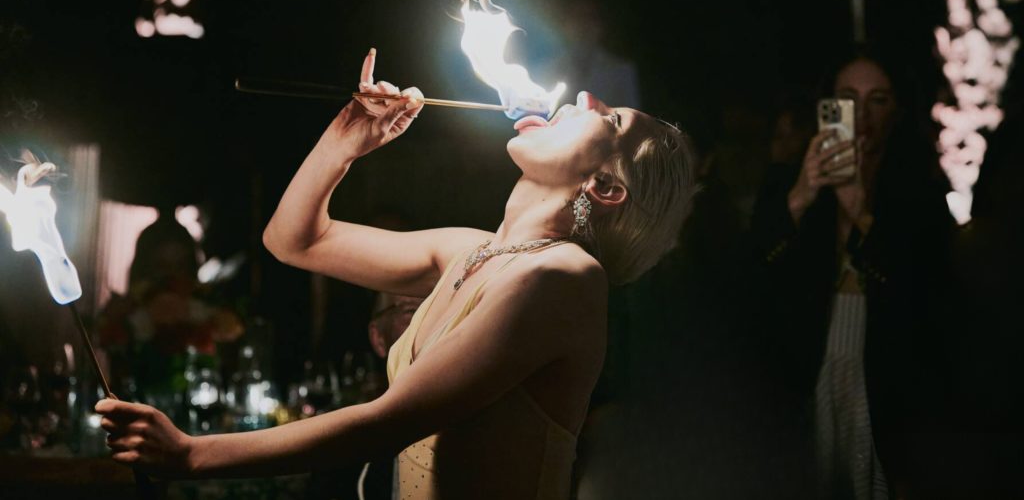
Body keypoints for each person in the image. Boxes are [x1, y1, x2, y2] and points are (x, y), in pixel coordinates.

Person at [96, 48, 697, 499]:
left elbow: (389, 421)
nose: (587, 98)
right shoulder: (471, 250)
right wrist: (345, 143)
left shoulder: (565, 277)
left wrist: (194, 455)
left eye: (610, 120)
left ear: (605, 186)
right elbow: (294, 241)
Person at [749, 52, 955, 499]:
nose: (861, 115)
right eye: (848, 99)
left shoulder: (919, 191)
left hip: (885, 373)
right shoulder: (791, 179)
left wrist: (861, 214)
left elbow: (928, 297)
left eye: (877, 100)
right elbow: (754, 271)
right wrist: (802, 194)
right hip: (807, 365)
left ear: (896, 110)